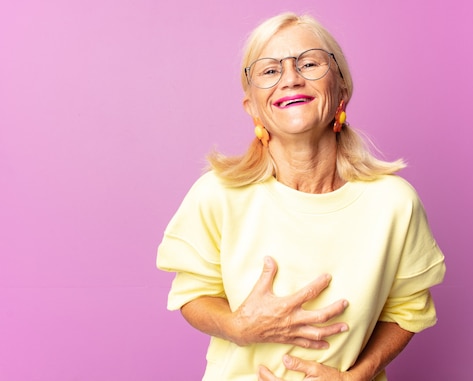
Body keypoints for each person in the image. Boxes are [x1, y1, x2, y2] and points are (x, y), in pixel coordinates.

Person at [157, 12, 446, 381]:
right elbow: (193, 293)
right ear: (253, 107)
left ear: (341, 90)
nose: (291, 78)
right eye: (269, 71)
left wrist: (358, 375)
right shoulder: (218, 195)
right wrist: (237, 326)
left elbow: (408, 309)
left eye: (309, 63)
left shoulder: (394, 204)